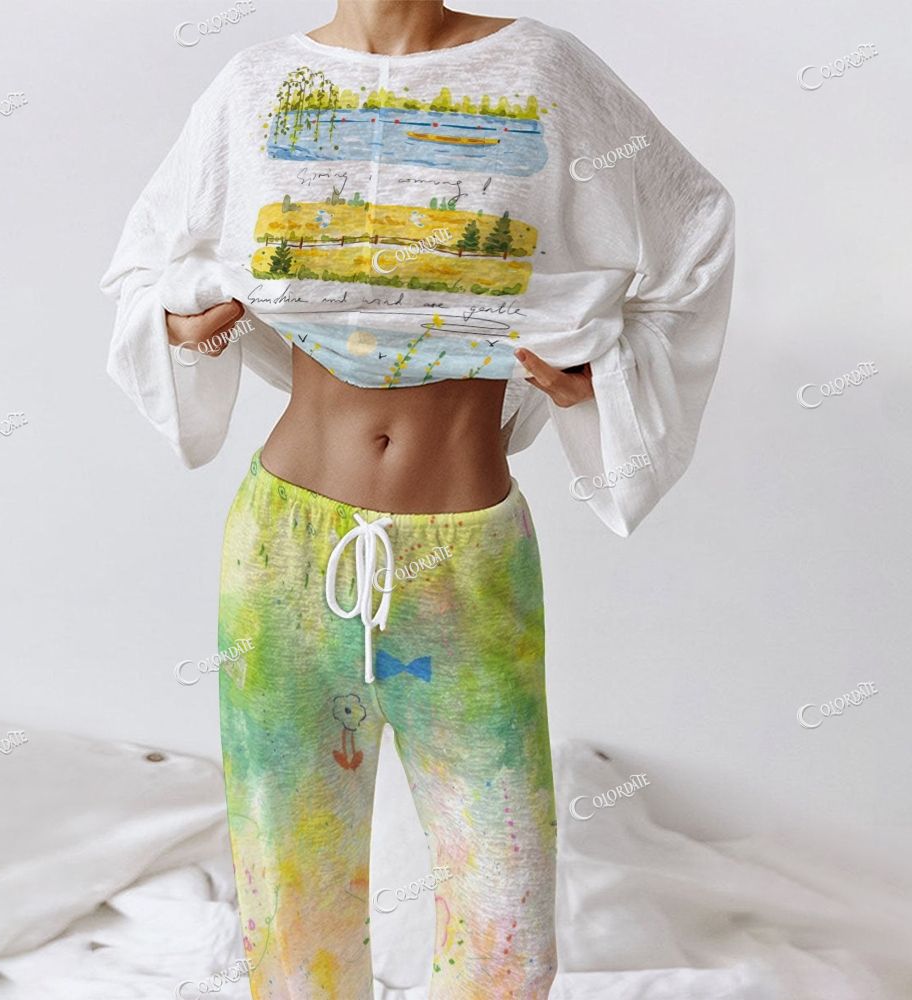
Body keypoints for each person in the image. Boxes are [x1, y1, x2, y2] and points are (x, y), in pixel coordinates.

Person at [99, 3, 735, 996]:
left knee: (504, 922)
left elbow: (694, 224)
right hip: (282, 553)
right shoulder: (254, 87)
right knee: (290, 894)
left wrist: (603, 375)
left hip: (465, 560)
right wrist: (183, 327)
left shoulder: (543, 70)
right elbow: (147, 264)